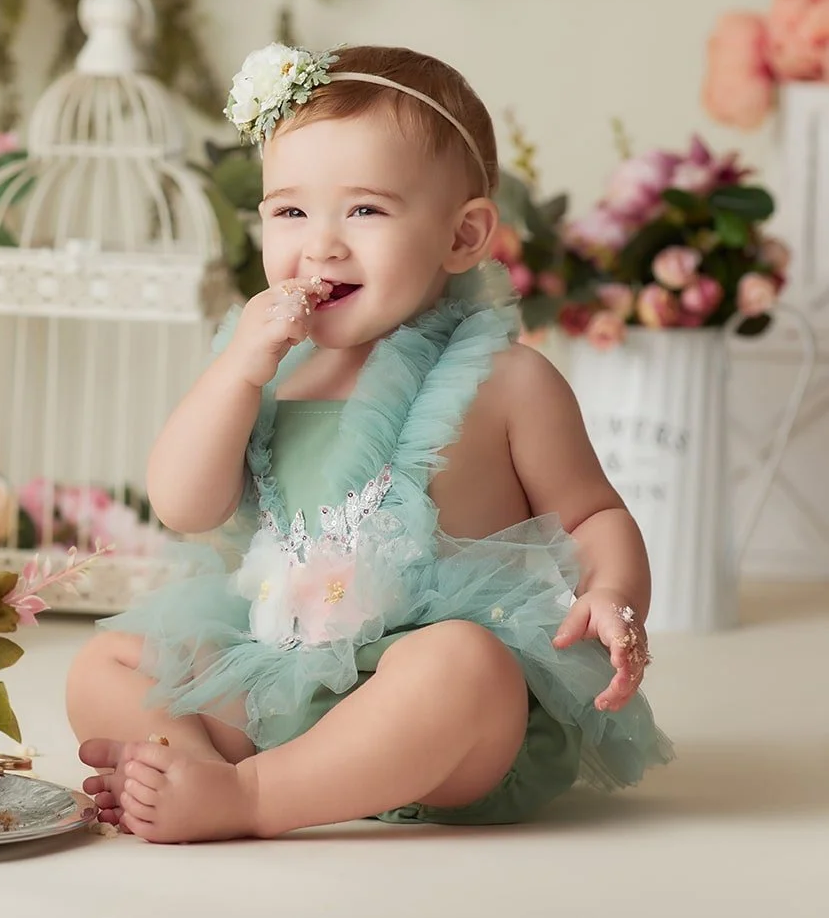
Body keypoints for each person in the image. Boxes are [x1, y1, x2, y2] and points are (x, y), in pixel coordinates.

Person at [65, 43, 673, 843]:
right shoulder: (264, 370)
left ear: (462, 236)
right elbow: (183, 504)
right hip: (280, 673)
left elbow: (594, 516)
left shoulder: (507, 380)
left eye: (364, 210)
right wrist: (238, 372)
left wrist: (611, 594)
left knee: (463, 664)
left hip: (434, 720)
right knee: (105, 659)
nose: (320, 245)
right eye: (289, 211)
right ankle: (183, 767)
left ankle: (249, 798)